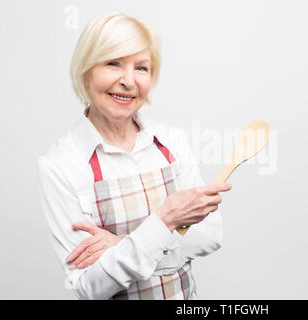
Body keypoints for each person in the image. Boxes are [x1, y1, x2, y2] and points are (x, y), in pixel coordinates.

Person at [37, 12, 232, 300]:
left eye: (141, 68)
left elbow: (211, 236)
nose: (129, 81)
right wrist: (165, 221)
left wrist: (122, 245)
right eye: (113, 63)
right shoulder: (60, 165)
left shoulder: (172, 142)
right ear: (85, 69)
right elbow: (88, 286)